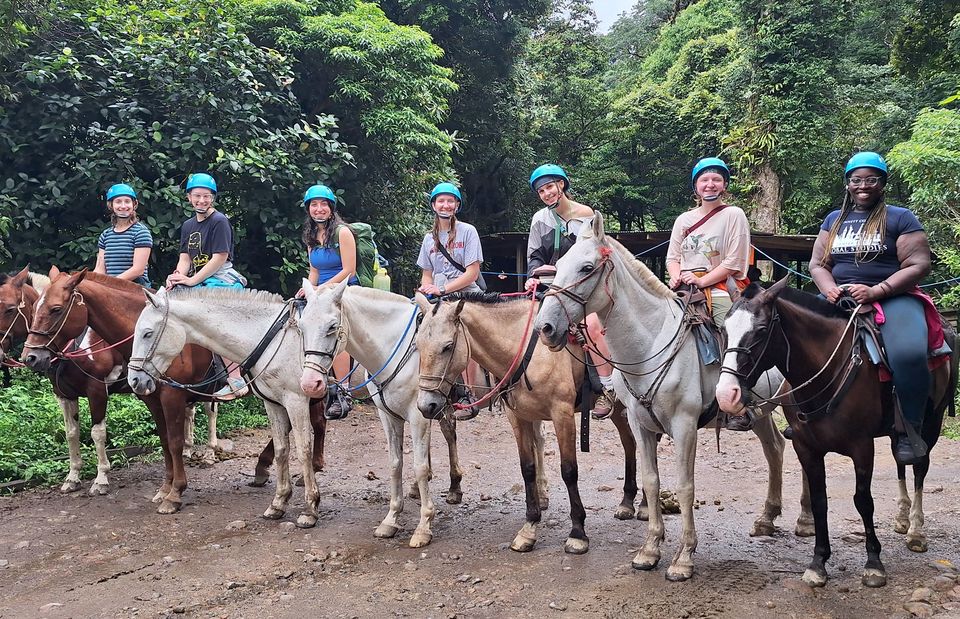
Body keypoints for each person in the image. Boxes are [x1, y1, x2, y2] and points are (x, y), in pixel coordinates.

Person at [810, 151, 932, 465]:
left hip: (893, 297)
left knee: (908, 353)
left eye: (871, 179)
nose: (863, 185)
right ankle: (803, 416)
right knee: (794, 337)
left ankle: (908, 429)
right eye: (856, 180)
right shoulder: (833, 220)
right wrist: (829, 288)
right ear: (847, 184)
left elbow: (918, 263)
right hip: (840, 297)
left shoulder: (901, 217)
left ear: (882, 183)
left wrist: (877, 290)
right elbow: (818, 264)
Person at [525, 164, 617, 419]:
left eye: (550, 187)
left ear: (561, 185)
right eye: (541, 190)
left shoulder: (585, 215)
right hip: (550, 283)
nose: (546, 194)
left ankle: (608, 388)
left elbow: (591, 252)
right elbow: (533, 256)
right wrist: (533, 275)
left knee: (592, 326)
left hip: (580, 285)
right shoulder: (539, 219)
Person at [666, 157, 752, 429]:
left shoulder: (733, 214)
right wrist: (676, 274)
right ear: (696, 186)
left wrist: (702, 281)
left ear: (724, 185)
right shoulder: (684, 219)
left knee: (727, 324)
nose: (710, 184)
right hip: (684, 286)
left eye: (716, 179)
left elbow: (734, 263)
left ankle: (738, 400)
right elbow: (672, 257)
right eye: (704, 180)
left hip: (720, 286)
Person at [165, 173, 249, 401]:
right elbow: (185, 258)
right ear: (189, 197)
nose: (201, 200)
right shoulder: (187, 226)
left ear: (212, 198)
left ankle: (235, 378)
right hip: (198, 278)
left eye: (206, 196)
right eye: (197, 196)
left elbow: (220, 257)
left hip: (221, 278)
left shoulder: (219, 221)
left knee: (218, 321)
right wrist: (177, 276)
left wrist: (192, 281)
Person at [416, 182, 484, 420]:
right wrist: (426, 288)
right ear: (434, 205)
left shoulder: (468, 231)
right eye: (441, 201)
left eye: (450, 201)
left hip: (466, 294)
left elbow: (471, 273)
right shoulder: (428, 239)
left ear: (457, 206)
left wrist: (443, 288)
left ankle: (468, 393)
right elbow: (427, 272)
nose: (445, 205)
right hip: (438, 297)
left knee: (464, 334)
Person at [300, 184, 357, 419]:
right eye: (314, 205)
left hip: (342, 289)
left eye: (323, 204)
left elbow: (349, 270)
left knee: (336, 330)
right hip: (320, 292)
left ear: (331, 207)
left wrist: (321, 290)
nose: (319, 209)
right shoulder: (311, 236)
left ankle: (343, 391)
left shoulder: (342, 232)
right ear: (309, 209)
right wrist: (307, 289)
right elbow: (313, 271)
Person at [94, 183, 152, 287]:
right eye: (118, 202)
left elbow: (138, 270)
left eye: (127, 201)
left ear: (134, 204)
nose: (123, 206)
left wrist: (111, 283)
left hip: (136, 290)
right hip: (111, 289)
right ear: (111, 205)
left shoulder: (141, 232)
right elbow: (100, 269)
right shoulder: (105, 235)